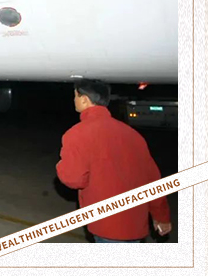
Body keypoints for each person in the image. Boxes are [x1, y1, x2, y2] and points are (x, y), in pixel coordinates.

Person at [56, 79, 172, 243]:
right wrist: (161, 216)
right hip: (136, 225)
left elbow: (74, 179)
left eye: (75, 96)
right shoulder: (132, 134)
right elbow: (152, 180)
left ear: (84, 99)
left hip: (107, 226)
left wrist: (61, 166)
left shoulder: (76, 134)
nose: (74, 100)